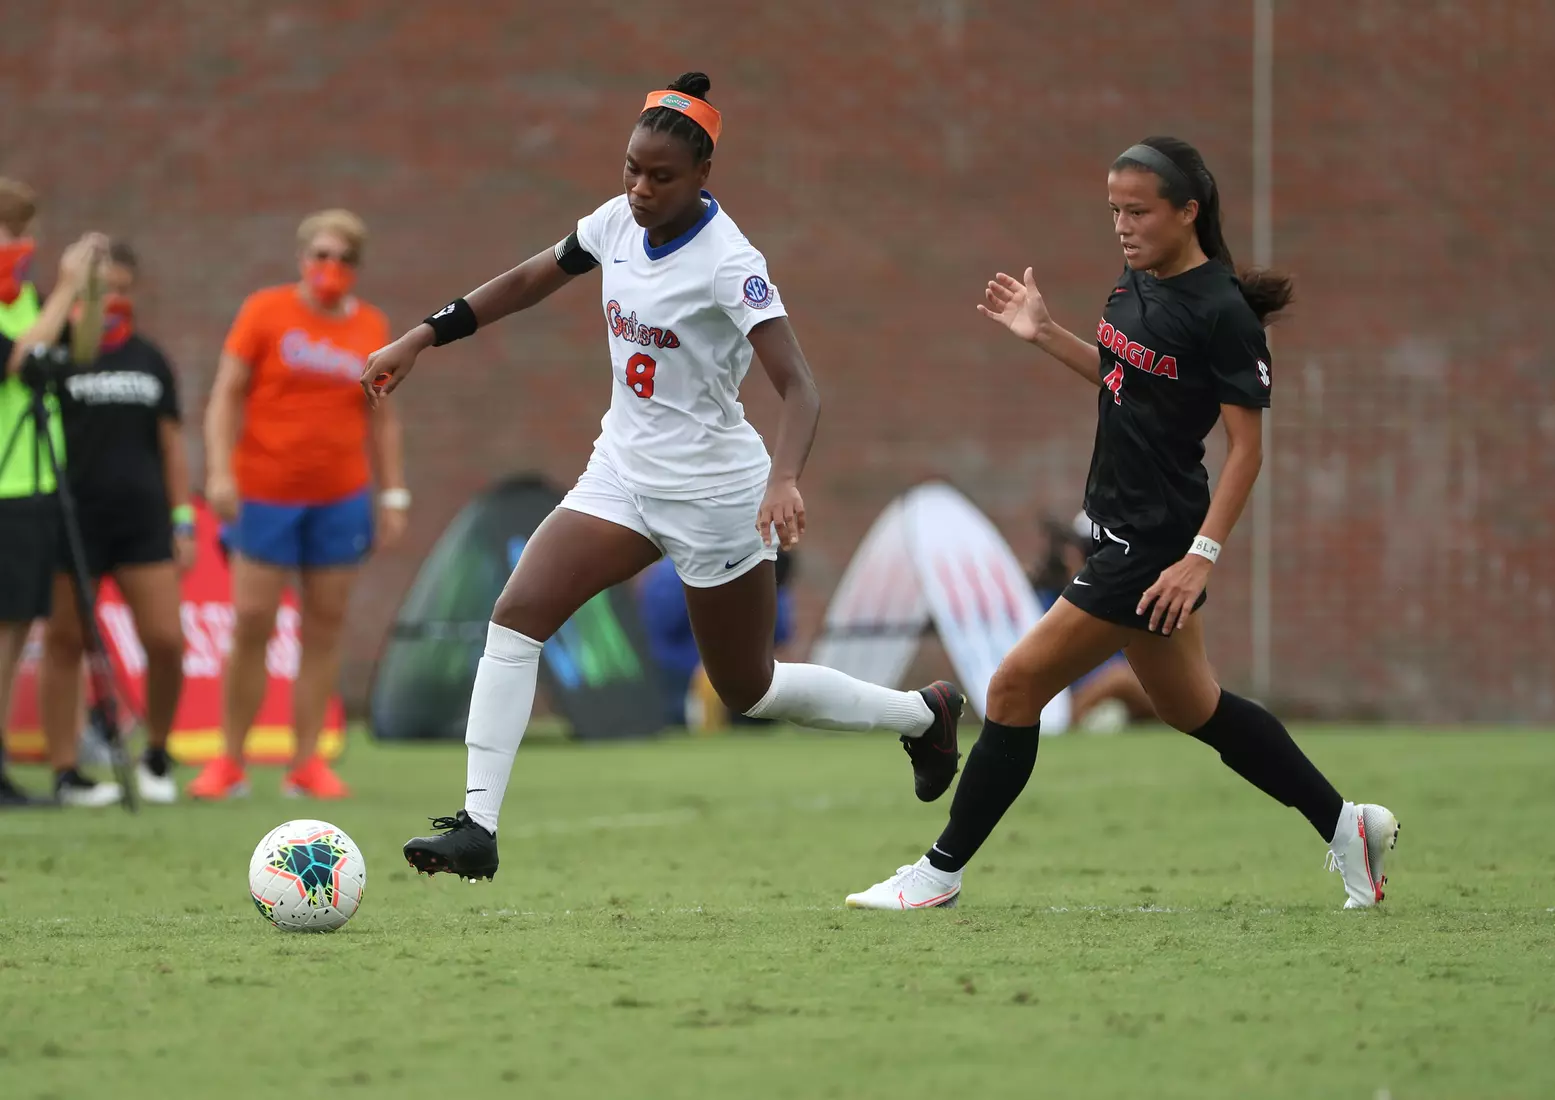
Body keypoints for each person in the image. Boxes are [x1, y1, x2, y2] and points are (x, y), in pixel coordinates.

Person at [369, 73, 965, 882]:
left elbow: (800, 386)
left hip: (714, 496)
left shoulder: (730, 263)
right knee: (515, 616)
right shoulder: (614, 222)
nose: (640, 189)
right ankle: (478, 825)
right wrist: (421, 336)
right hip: (620, 474)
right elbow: (525, 281)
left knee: (747, 688)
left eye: (661, 176)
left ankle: (921, 715)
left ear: (702, 176)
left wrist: (784, 479)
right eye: (631, 169)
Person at [846, 137, 1399, 912]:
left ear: (1187, 212)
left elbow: (1246, 451)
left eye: (1137, 211)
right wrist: (1044, 333)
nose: (1122, 226)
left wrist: (1200, 556)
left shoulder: (1222, 313)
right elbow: (1121, 382)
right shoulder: (1132, 282)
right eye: (1113, 210)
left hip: (1155, 543)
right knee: (1192, 708)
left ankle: (937, 874)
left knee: (1012, 687)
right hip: (1119, 526)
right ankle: (1348, 825)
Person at [189, 209, 409, 800]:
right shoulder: (265, 312)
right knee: (253, 620)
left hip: (340, 497)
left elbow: (383, 419)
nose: (331, 267)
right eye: (321, 255)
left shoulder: (371, 325)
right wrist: (219, 472)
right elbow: (225, 396)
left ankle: (306, 762)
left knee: (325, 626)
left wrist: (393, 493)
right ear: (302, 257)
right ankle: (230, 761)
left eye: (344, 258)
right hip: (264, 493)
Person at [40, 241, 194, 805]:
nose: (114, 300)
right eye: (104, 290)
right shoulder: (57, 353)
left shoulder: (150, 359)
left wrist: (182, 518)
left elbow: (171, 445)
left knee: (166, 639)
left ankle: (156, 752)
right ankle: (66, 771)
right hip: (70, 517)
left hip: (142, 519)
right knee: (64, 640)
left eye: (124, 289)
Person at [0, 180, 112, 806]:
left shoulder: (26, 300)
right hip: (5, 484)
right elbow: (19, 360)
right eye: (11, 231)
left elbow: (81, 350)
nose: (21, 244)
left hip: (37, 482)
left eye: (24, 231)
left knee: (17, 629)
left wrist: (87, 291)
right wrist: (67, 287)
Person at [1029, 512, 1153, 732]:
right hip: (1065, 704)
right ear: (1072, 553)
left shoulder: (1128, 601)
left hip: (1129, 703)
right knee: (1118, 678)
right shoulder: (1044, 602)